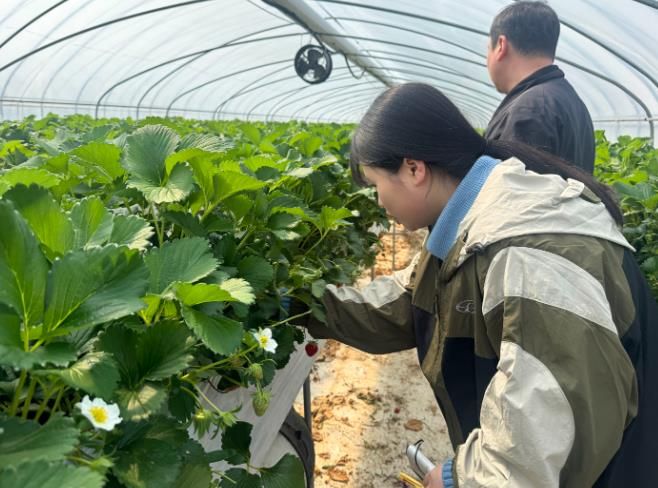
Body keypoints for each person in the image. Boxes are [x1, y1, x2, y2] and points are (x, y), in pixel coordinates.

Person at [297, 83, 657, 487]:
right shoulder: (472, 225)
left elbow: (543, 438)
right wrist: (301, 303)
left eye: (375, 184)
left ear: (413, 169)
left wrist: (460, 479)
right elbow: (408, 302)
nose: (378, 202)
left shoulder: (527, 253)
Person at [485, 1, 595, 173]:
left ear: (501, 45)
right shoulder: (570, 101)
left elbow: (514, 187)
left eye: (488, 49)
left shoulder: (531, 110)